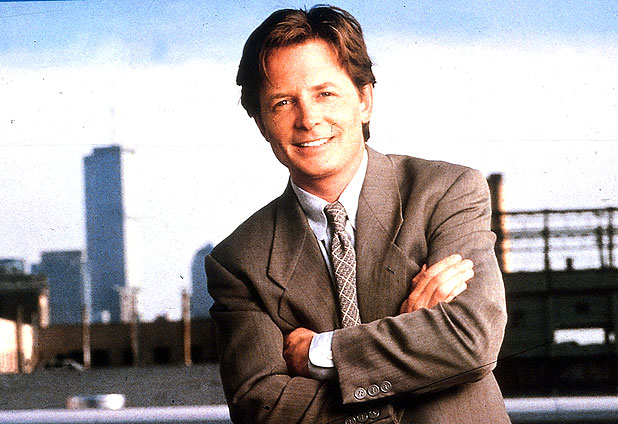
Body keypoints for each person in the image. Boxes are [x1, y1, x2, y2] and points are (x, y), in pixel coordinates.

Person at [206, 5, 509, 423]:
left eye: (325, 94)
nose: (309, 119)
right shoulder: (239, 261)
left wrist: (318, 353)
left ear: (364, 100)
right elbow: (263, 407)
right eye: (283, 102)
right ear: (261, 124)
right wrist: (415, 351)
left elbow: (470, 340)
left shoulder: (446, 191)